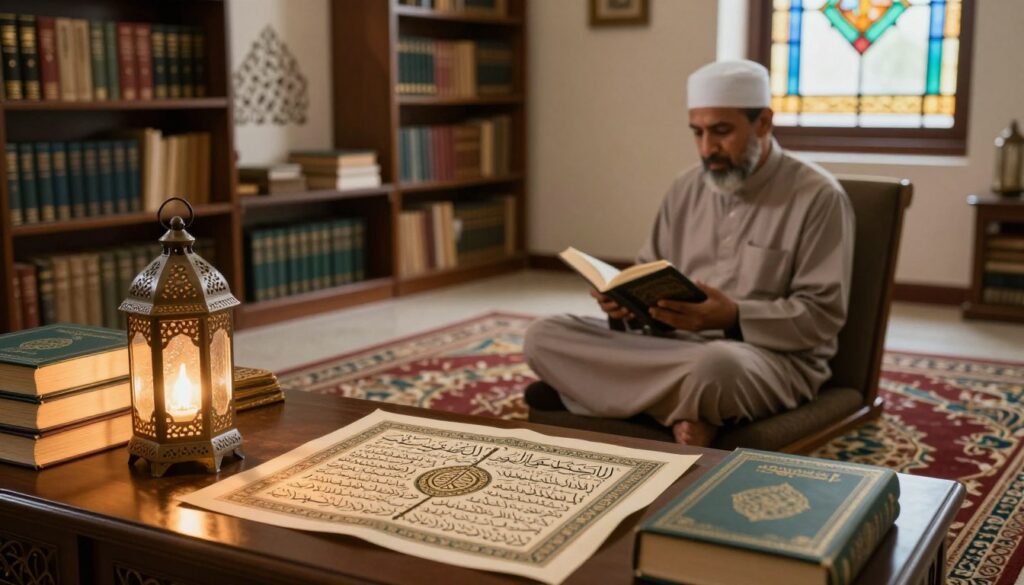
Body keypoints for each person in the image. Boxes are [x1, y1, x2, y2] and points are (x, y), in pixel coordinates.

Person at [522, 59, 855, 447]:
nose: (707, 148)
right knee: (542, 336)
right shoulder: (685, 188)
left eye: (721, 131)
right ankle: (685, 411)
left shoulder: (818, 197)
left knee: (715, 368)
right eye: (697, 132)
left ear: (763, 123)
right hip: (669, 347)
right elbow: (649, 271)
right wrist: (626, 303)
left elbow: (822, 316)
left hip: (765, 358)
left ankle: (589, 397)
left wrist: (733, 316)